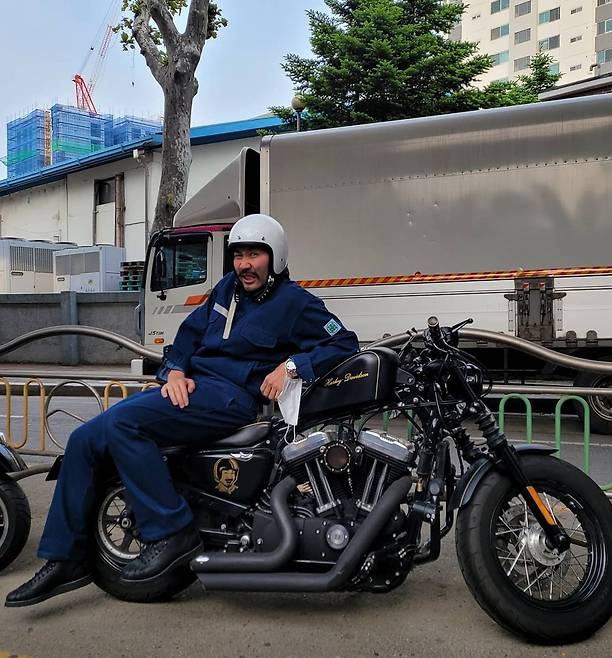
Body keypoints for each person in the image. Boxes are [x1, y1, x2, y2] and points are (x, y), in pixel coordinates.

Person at [5, 214, 359, 608]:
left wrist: (291, 366)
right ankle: (64, 558)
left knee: (124, 425)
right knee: (84, 438)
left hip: (230, 398)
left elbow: (344, 342)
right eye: (238, 255)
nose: (244, 264)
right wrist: (174, 371)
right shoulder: (226, 289)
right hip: (191, 388)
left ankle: (171, 531)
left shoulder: (296, 303)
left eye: (254, 255)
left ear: (275, 258)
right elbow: (187, 338)